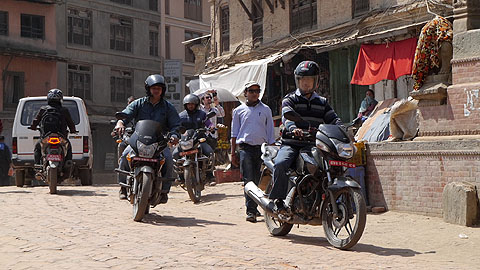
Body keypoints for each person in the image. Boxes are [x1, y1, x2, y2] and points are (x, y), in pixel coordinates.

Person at [267, 61, 343, 214]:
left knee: (326, 167)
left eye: (309, 80)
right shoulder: (290, 99)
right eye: (303, 80)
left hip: (312, 144)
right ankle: (278, 200)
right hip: (292, 144)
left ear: (315, 82)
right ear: (298, 81)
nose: (306, 84)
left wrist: (344, 129)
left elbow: (333, 119)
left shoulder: (322, 102)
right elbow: (287, 118)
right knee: (281, 163)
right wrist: (294, 128)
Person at [115, 74, 180, 201]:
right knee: (124, 156)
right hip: (138, 140)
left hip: (159, 142)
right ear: (148, 89)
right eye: (154, 88)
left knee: (168, 159)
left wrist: (174, 135)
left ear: (163, 90)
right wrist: (120, 122)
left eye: (159, 88)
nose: (156, 90)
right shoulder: (138, 103)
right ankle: (123, 187)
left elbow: (175, 125)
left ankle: (164, 191)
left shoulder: (168, 107)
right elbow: (126, 114)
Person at [231, 81, 275, 222]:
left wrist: (272, 150)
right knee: (248, 180)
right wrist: (233, 153)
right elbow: (234, 133)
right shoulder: (238, 111)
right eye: (251, 91)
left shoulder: (266, 109)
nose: (255, 94)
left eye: (257, 91)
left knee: (261, 180)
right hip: (245, 149)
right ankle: (251, 211)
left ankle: (259, 207)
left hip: (262, 149)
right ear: (246, 93)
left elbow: (270, 132)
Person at [172, 94, 215, 181]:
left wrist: (211, 127)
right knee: (175, 154)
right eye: (188, 104)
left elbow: (208, 123)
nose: (190, 106)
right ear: (185, 105)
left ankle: (210, 175)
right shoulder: (181, 116)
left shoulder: (202, 114)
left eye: (192, 104)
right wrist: (174, 134)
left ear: (196, 105)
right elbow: (177, 127)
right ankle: (180, 176)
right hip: (185, 141)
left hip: (199, 140)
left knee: (209, 152)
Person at [30, 89, 77, 166]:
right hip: (61, 136)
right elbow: (70, 122)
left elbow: (36, 120)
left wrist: (33, 127)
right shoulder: (64, 110)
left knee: (37, 147)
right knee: (68, 147)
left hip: (46, 137)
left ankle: (37, 166)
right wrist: (73, 130)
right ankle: (68, 163)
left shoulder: (43, 109)